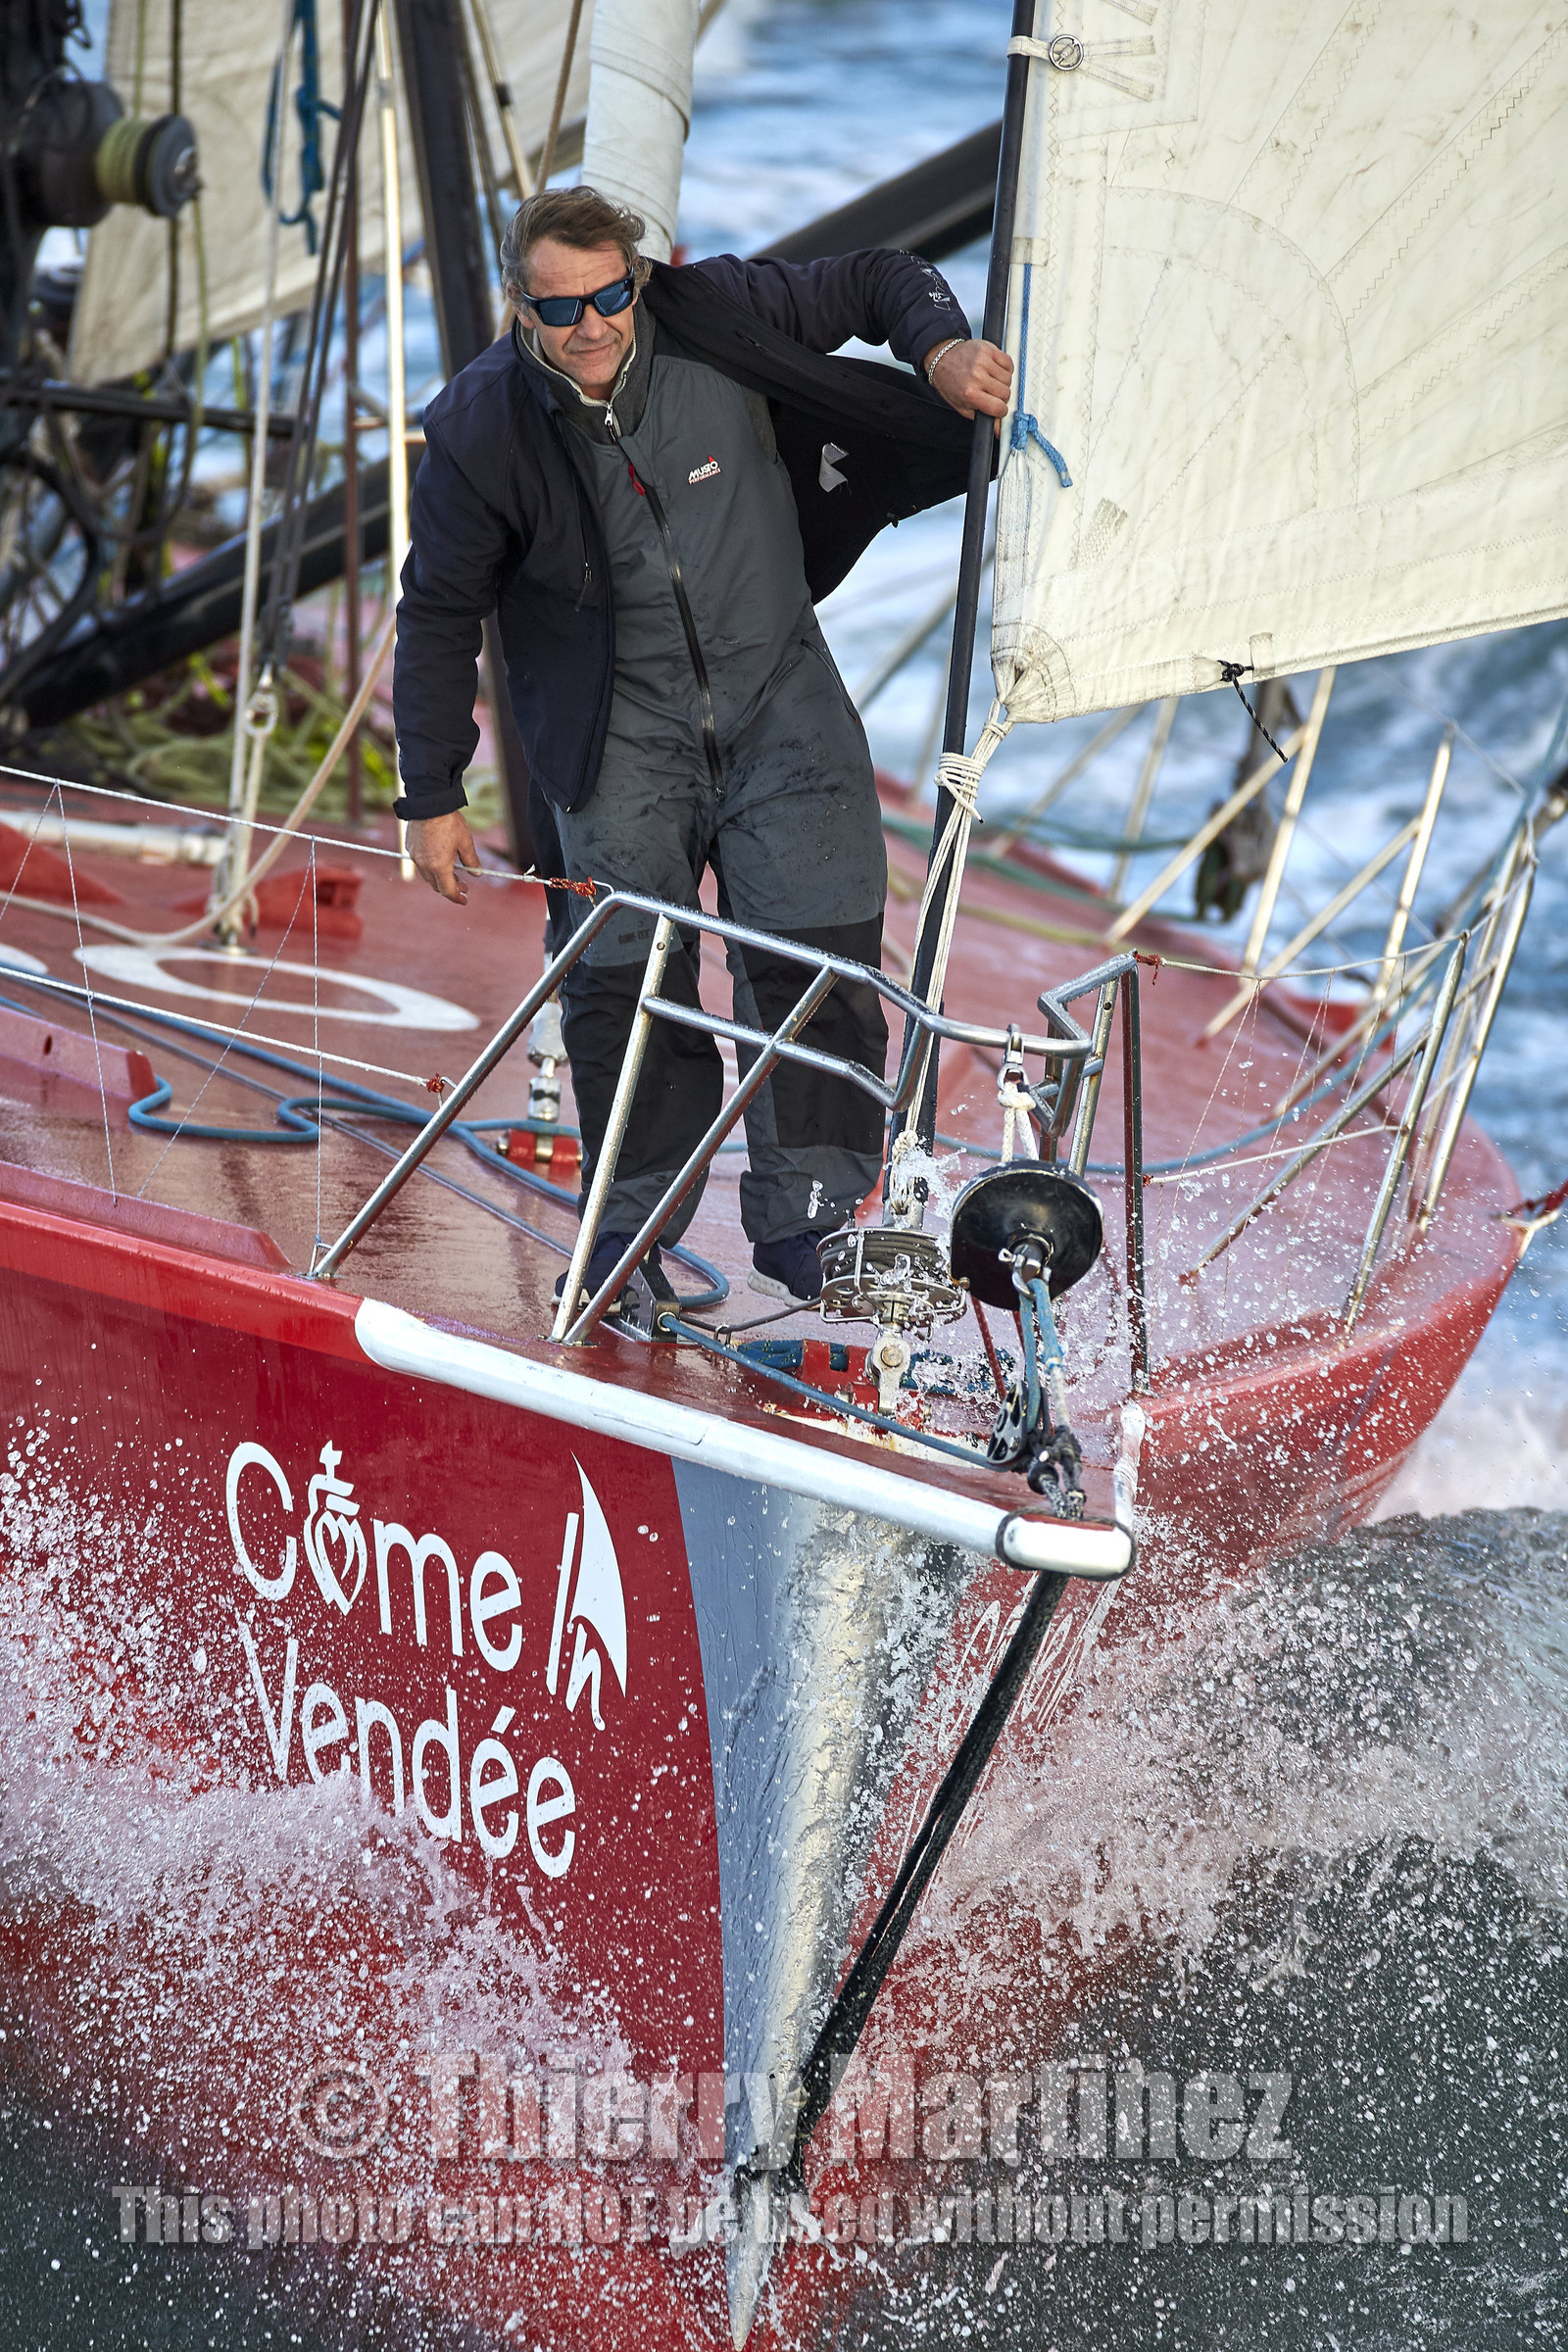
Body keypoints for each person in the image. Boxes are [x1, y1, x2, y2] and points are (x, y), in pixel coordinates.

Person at [393, 185, 1012, 1313]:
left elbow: (878, 277)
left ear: (643, 278)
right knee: (626, 983)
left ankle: (814, 1228)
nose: (590, 326)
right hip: (619, 727)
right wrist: (429, 790)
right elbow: (436, 609)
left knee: (819, 962)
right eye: (559, 307)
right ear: (519, 307)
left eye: (611, 295)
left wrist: (939, 353)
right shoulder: (481, 426)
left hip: (780, 692)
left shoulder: (720, 310)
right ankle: (630, 1240)